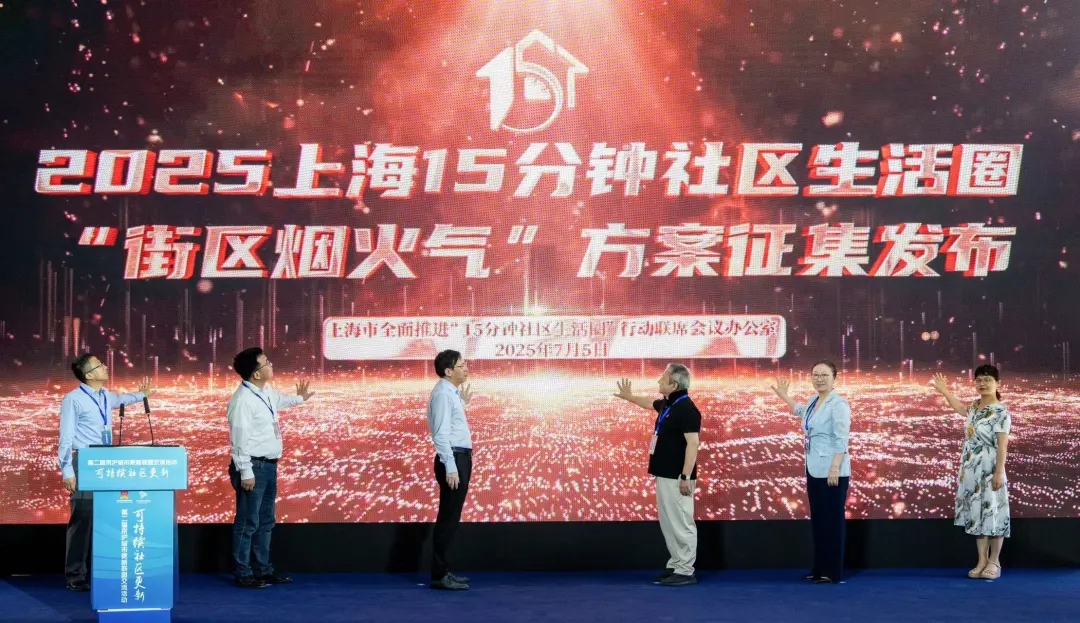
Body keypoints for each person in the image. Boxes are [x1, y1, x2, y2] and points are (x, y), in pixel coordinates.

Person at [57, 353, 153, 591]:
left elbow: (121, 399)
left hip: (107, 461)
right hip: (85, 461)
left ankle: (106, 571)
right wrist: (67, 471)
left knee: (108, 517)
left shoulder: (104, 395)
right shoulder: (73, 399)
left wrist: (142, 395)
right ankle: (75, 575)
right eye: (99, 365)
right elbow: (66, 437)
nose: (105, 367)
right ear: (89, 375)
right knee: (82, 518)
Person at [227, 347, 314, 589]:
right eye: (266, 362)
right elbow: (239, 440)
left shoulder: (264, 392)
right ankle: (244, 573)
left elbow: (278, 401)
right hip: (253, 468)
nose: (271, 365)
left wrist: (300, 399)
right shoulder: (242, 401)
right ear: (256, 373)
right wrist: (246, 472)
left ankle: (263, 570)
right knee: (247, 523)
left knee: (265, 521)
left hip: (268, 467)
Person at [615, 363, 702, 586]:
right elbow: (649, 403)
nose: (658, 381)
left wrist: (685, 476)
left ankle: (685, 571)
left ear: (674, 385)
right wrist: (629, 397)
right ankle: (676, 565)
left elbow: (693, 443)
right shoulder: (669, 404)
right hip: (665, 473)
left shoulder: (686, 409)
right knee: (669, 523)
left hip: (677, 477)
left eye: (663, 378)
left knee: (681, 523)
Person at [770, 360, 851, 584]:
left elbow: (841, 438)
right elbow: (801, 412)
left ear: (834, 378)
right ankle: (819, 568)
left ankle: (832, 571)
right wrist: (784, 396)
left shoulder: (838, 404)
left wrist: (835, 467)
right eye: (816, 375)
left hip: (832, 471)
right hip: (814, 468)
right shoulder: (814, 400)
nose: (819, 379)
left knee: (832, 522)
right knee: (819, 521)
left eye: (824, 375)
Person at [931, 365, 1011, 580]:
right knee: (977, 513)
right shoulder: (975, 407)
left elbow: (1002, 445)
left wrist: (999, 472)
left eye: (988, 380)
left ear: (997, 383)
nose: (983, 384)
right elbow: (959, 408)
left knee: (993, 512)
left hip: (990, 467)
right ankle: (981, 560)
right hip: (971, 468)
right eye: (979, 380)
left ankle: (994, 561)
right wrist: (944, 391)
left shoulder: (1001, 411)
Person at [427, 349, 474, 590]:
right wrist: (451, 467)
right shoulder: (442, 394)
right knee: (447, 518)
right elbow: (441, 434)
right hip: (453, 458)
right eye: (461, 366)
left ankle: (444, 571)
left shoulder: (450, 393)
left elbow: (452, 423)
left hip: (459, 457)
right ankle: (439, 574)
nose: (466, 369)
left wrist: (462, 403)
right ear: (448, 371)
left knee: (451, 518)